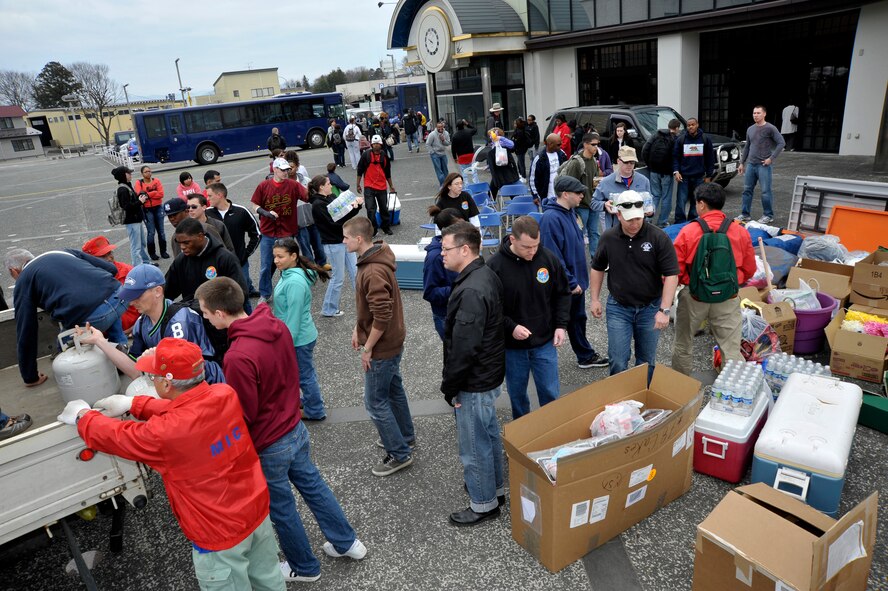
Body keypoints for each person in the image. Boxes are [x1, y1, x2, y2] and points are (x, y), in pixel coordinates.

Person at [57, 338, 286, 591]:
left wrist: (83, 416)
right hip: (256, 513)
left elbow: (120, 436)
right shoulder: (225, 394)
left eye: (152, 375)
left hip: (219, 533)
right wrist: (136, 404)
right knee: (269, 580)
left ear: (166, 384)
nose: (151, 379)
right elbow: (189, 408)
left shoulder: (166, 433)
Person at [195, 278, 367, 584]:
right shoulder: (275, 325)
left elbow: (244, 413)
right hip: (294, 427)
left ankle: (304, 566)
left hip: (269, 442)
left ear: (220, 313)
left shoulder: (237, 356)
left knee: (282, 508)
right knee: (314, 486)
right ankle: (347, 542)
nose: (206, 318)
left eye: (206, 313)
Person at [439, 221, 506, 526]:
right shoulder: (484, 274)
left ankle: (483, 504)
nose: (442, 253)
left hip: (474, 381)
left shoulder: (470, 290)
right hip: (488, 374)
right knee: (488, 435)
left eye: (446, 248)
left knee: (474, 445)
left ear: (464, 250)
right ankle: (495, 489)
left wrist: (450, 387)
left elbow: (464, 347)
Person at [343, 216, 415, 477]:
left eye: (346, 238)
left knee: (375, 402)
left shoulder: (372, 270)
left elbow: (382, 315)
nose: (343, 242)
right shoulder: (376, 257)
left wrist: (368, 348)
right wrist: (358, 327)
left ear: (358, 239)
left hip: (383, 346)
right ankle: (405, 436)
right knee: (394, 389)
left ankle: (399, 454)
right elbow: (370, 307)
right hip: (393, 340)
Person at [77, 264, 225, 384]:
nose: (131, 302)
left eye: (137, 295)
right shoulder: (142, 323)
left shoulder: (180, 322)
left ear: (158, 291)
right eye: (129, 296)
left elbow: (183, 374)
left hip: (208, 386)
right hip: (178, 383)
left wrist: (152, 361)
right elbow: (135, 370)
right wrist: (100, 341)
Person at [589, 190, 679, 381]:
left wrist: (664, 309)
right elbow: (597, 268)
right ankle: (620, 396)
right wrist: (594, 299)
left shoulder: (658, 237)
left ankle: (643, 394)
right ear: (619, 215)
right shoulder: (608, 238)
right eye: (629, 219)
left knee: (646, 361)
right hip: (618, 308)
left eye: (638, 218)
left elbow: (671, 274)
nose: (634, 223)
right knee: (618, 360)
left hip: (650, 308)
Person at [487, 216, 569, 419]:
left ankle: (552, 428)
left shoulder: (548, 258)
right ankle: (523, 429)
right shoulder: (495, 266)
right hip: (512, 347)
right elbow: (491, 309)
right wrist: (511, 327)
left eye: (536, 245)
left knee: (550, 391)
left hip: (545, 341)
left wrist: (561, 325)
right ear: (512, 239)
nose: (532, 252)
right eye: (526, 247)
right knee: (517, 395)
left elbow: (562, 294)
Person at [6, 248, 127, 386]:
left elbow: (26, 330)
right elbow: (111, 269)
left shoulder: (23, 280)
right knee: (106, 299)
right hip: (121, 298)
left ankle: (90, 375)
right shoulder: (61, 252)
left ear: (13, 271)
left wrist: (30, 376)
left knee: (64, 346)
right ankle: (121, 348)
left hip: (94, 316)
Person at [671, 183, 757, 377]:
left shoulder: (689, 231)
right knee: (731, 349)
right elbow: (750, 269)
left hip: (695, 297)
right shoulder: (739, 231)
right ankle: (733, 388)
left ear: (701, 204)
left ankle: (681, 386)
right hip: (727, 297)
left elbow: (676, 269)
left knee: (683, 343)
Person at [540, 176, 608, 369]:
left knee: (577, 319)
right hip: (565, 285)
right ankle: (543, 360)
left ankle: (585, 355)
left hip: (575, 281)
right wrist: (570, 282)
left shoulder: (570, 212)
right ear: (565, 194)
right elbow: (553, 257)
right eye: (578, 192)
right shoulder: (551, 219)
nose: (582, 195)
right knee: (558, 321)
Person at [270, 238, 330, 420]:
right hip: (299, 335)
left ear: (294, 256)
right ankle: (307, 402)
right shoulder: (289, 273)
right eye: (274, 256)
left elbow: (294, 318)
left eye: (280, 256)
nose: (276, 261)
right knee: (302, 373)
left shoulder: (294, 282)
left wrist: (285, 343)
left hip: (298, 338)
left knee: (305, 375)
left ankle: (315, 410)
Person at [250, 157, 305, 303]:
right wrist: (265, 213)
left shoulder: (293, 185)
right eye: (283, 170)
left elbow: (308, 196)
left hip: (286, 232)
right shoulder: (263, 186)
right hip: (268, 232)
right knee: (266, 265)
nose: (286, 172)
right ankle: (265, 293)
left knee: (287, 264)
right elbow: (254, 204)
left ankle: (287, 291)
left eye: (287, 170)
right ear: (274, 169)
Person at [310, 174, 363, 318]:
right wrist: (354, 208)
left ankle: (364, 303)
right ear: (321, 187)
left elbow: (342, 216)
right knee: (338, 278)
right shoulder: (317, 205)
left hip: (343, 240)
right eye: (328, 184)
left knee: (355, 272)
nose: (331, 186)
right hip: (333, 243)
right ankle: (328, 309)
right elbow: (334, 223)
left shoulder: (331, 197)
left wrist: (356, 206)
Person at [165, 218, 248, 304]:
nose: (182, 247)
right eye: (179, 243)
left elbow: (241, 294)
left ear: (200, 236)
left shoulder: (225, 258)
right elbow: (167, 290)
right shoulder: (181, 260)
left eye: (186, 243)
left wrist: (214, 307)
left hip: (218, 311)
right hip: (191, 311)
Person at [205, 182, 261, 299]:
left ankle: (248, 292)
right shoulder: (207, 213)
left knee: (242, 294)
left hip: (239, 262)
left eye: (210, 195)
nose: (207, 198)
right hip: (217, 264)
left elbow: (256, 234)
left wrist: (246, 253)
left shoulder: (241, 211)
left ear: (219, 195)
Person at [736, 105, 785, 224]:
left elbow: (781, 143)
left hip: (764, 165)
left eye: (758, 113)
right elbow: (747, 147)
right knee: (747, 190)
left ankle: (768, 215)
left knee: (765, 191)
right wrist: (742, 163)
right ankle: (745, 214)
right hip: (751, 165)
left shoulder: (770, 128)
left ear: (764, 114)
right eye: (754, 113)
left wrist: (771, 158)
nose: (755, 115)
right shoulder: (750, 129)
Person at [81, 236, 139, 333]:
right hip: (103, 335)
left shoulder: (128, 272)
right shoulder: (85, 281)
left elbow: (148, 301)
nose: (110, 258)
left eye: (110, 253)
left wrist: (138, 326)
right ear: (90, 260)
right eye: (103, 256)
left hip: (135, 329)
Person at [559, 132, 603, 256]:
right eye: (593, 144)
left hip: (593, 203)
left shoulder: (593, 160)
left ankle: (595, 259)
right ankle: (577, 259)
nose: (596, 147)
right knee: (579, 234)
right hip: (581, 206)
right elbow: (569, 184)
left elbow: (594, 182)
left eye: (597, 144)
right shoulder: (576, 162)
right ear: (585, 144)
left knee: (594, 233)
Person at [422, 208, 461, 340]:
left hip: (460, 311)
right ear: (447, 230)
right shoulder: (435, 257)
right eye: (460, 226)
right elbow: (429, 292)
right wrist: (458, 290)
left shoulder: (458, 247)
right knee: (454, 351)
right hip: (445, 316)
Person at [594, 146, 652, 230]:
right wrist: (604, 205)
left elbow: (650, 201)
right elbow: (593, 202)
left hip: (638, 229)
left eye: (632, 162)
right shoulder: (606, 182)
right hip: (616, 230)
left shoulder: (644, 181)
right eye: (626, 162)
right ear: (618, 161)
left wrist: (651, 211)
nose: (629, 165)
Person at [672, 117, 715, 224]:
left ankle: (693, 220)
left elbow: (710, 158)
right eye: (688, 125)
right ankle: (679, 222)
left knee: (696, 200)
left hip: (699, 177)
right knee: (681, 200)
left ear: (697, 125)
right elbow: (675, 157)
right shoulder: (681, 139)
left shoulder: (705, 139)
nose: (690, 127)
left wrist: (709, 176)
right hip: (684, 177)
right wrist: (676, 171)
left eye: (692, 125)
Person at [356, 135, 396, 236]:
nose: (376, 145)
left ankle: (386, 227)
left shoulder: (384, 156)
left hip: (381, 186)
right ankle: (373, 229)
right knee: (370, 209)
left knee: (384, 209)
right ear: (371, 145)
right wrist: (358, 184)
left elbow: (388, 173)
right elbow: (360, 170)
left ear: (381, 144)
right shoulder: (365, 155)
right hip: (369, 186)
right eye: (374, 144)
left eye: (378, 144)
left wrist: (391, 186)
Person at [643, 118, 681, 227]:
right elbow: (676, 156)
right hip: (666, 173)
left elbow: (645, 149)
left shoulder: (656, 135)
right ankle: (662, 222)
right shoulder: (675, 139)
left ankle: (648, 220)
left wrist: (650, 165)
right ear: (677, 128)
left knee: (655, 196)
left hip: (654, 171)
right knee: (666, 198)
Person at [163, 197, 230, 258]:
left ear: (186, 211)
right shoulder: (175, 237)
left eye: (175, 215)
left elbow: (225, 254)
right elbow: (178, 261)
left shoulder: (206, 229)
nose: (172, 219)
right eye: (169, 216)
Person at [113, 165, 149, 266]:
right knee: (136, 246)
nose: (130, 174)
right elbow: (126, 206)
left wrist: (138, 198)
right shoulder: (123, 189)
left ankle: (145, 262)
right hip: (132, 221)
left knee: (141, 243)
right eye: (128, 173)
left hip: (136, 219)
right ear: (123, 175)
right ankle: (138, 266)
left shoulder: (127, 186)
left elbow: (130, 202)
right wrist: (140, 202)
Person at [134, 165, 168, 261]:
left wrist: (148, 195)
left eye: (149, 171)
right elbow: (140, 195)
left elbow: (161, 194)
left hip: (158, 208)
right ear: (142, 174)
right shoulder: (139, 183)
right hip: (147, 210)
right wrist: (154, 192)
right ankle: (152, 253)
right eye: (146, 172)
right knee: (151, 232)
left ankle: (163, 251)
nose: (148, 173)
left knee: (161, 231)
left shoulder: (156, 181)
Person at [529, 133, 567, 201]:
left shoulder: (562, 154)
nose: (560, 146)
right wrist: (535, 195)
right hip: (546, 197)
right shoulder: (539, 158)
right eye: (558, 144)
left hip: (561, 195)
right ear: (550, 144)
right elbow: (533, 178)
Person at [486, 129, 520, 199]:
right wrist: (489, 166)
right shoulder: (494, 145)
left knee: (507, 188)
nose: (490, 138)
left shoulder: (503, 144)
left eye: (491, 136)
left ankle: (490, 201)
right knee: (493, 188)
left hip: (503, 172)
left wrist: (500, 138)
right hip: (500, 173)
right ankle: (490, 201)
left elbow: (512, 144)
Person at [451, 119, 478, 184]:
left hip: (461, 156)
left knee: (464, 173)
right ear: (463, 125)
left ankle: (466, 185)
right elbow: (475, 129)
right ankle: (476, 183)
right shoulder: (468, 132)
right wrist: (467, 124)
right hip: (470, 155)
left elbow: (453, 148)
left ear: (457, 126)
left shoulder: (455, 136)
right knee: (474, 170)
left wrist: (455, 158)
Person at [426, 121, 451, 188]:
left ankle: (446, 183)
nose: (440, 128)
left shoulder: (446, 133)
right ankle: (442, 184)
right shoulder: (432, 134)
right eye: (438, 127)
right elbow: (428, 144)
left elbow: (448, 143)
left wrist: (443, 140)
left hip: (443, 153)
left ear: (443, 127)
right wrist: (432, 152)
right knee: (439, 170)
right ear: (436, 127)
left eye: (441, 127)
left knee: (445, 169)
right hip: (435, 154)